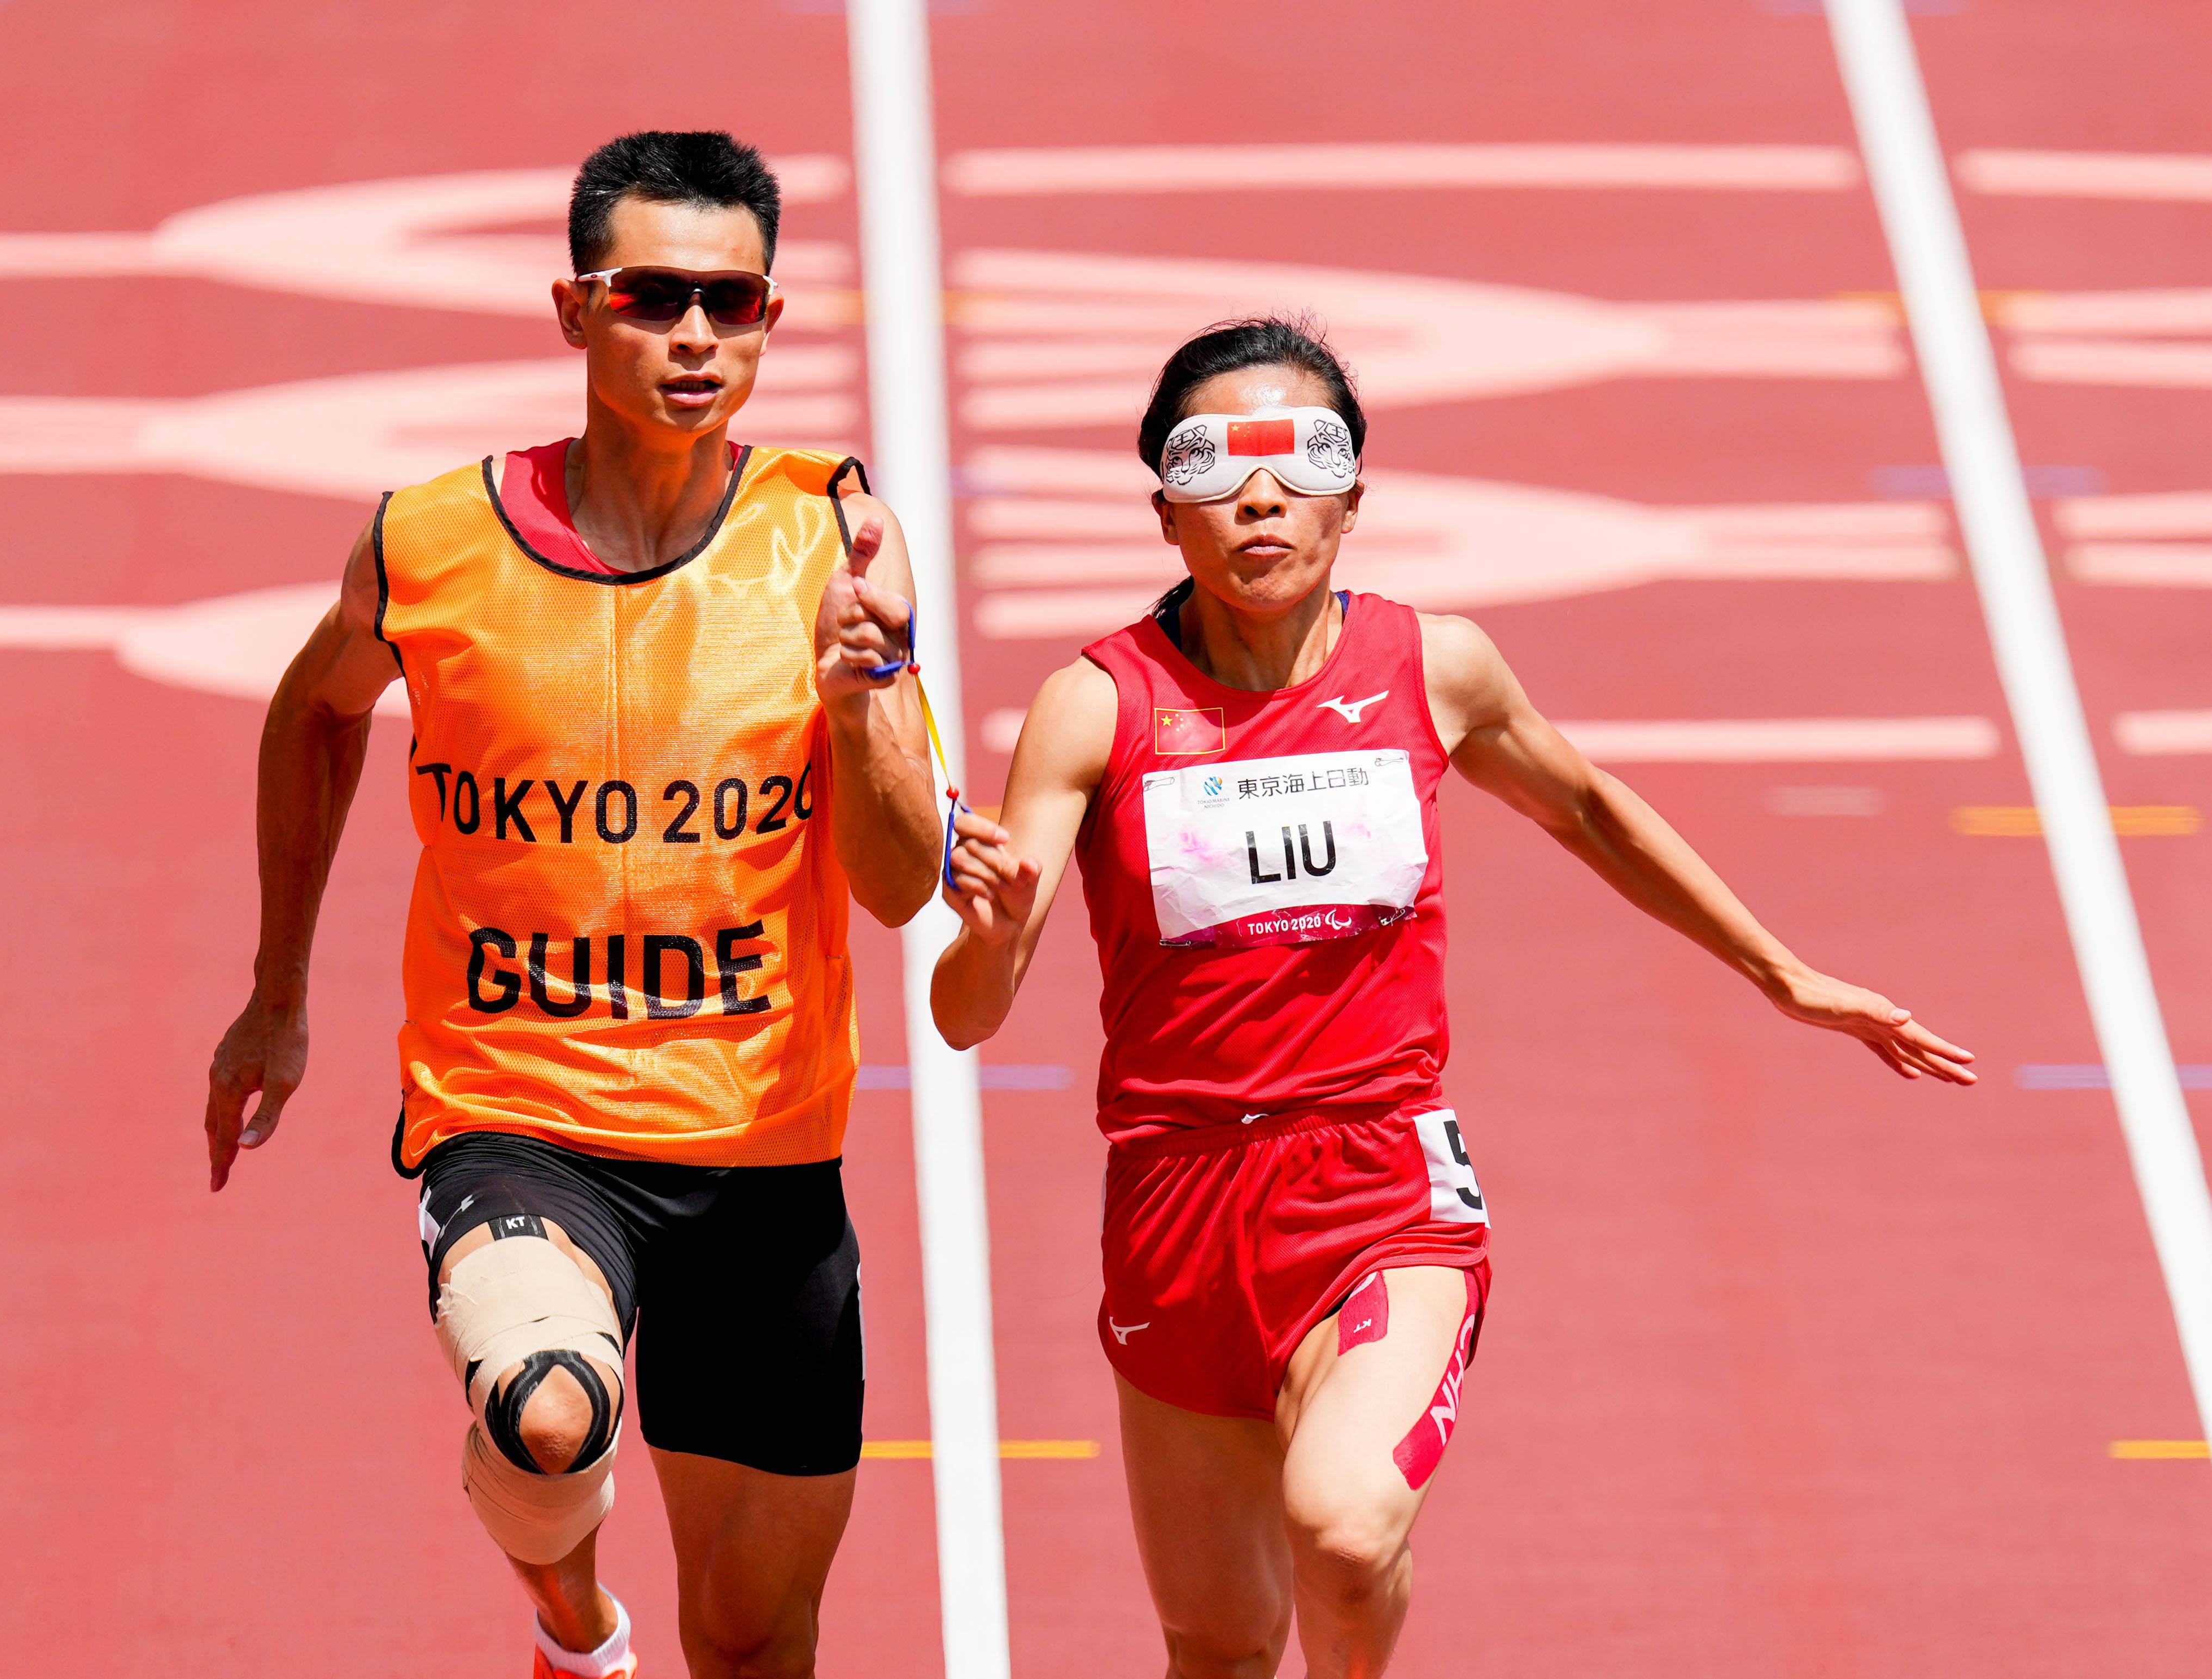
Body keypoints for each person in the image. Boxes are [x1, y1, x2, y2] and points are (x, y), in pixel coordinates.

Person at [931, 317, 1975, 1678]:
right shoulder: (1094, 705)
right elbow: (966, 1012)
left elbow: (1592, 811)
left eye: (1301, 459)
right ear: (1163, 511)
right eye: (1215, 465)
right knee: (1215, 1644)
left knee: (1346, 1525)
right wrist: (992, 923)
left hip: (1376, 1189)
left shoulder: (1434, 667)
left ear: (1352, 502)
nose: (1261, 497)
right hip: (1173, 1208)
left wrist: (1782, 973)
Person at [202, 131, 941, 1679]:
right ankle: (572, 1623)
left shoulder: (832, 542)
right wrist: (280, 992)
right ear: (571, 309)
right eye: (650, 294)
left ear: (766, 321)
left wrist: (865, 692)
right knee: (548, 1415)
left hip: (762, 1151)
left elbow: (892, 888)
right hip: (516, 1108)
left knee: (751, 1645)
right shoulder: (431, 544)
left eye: (729, 302)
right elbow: (314, 714)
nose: (691, 336)